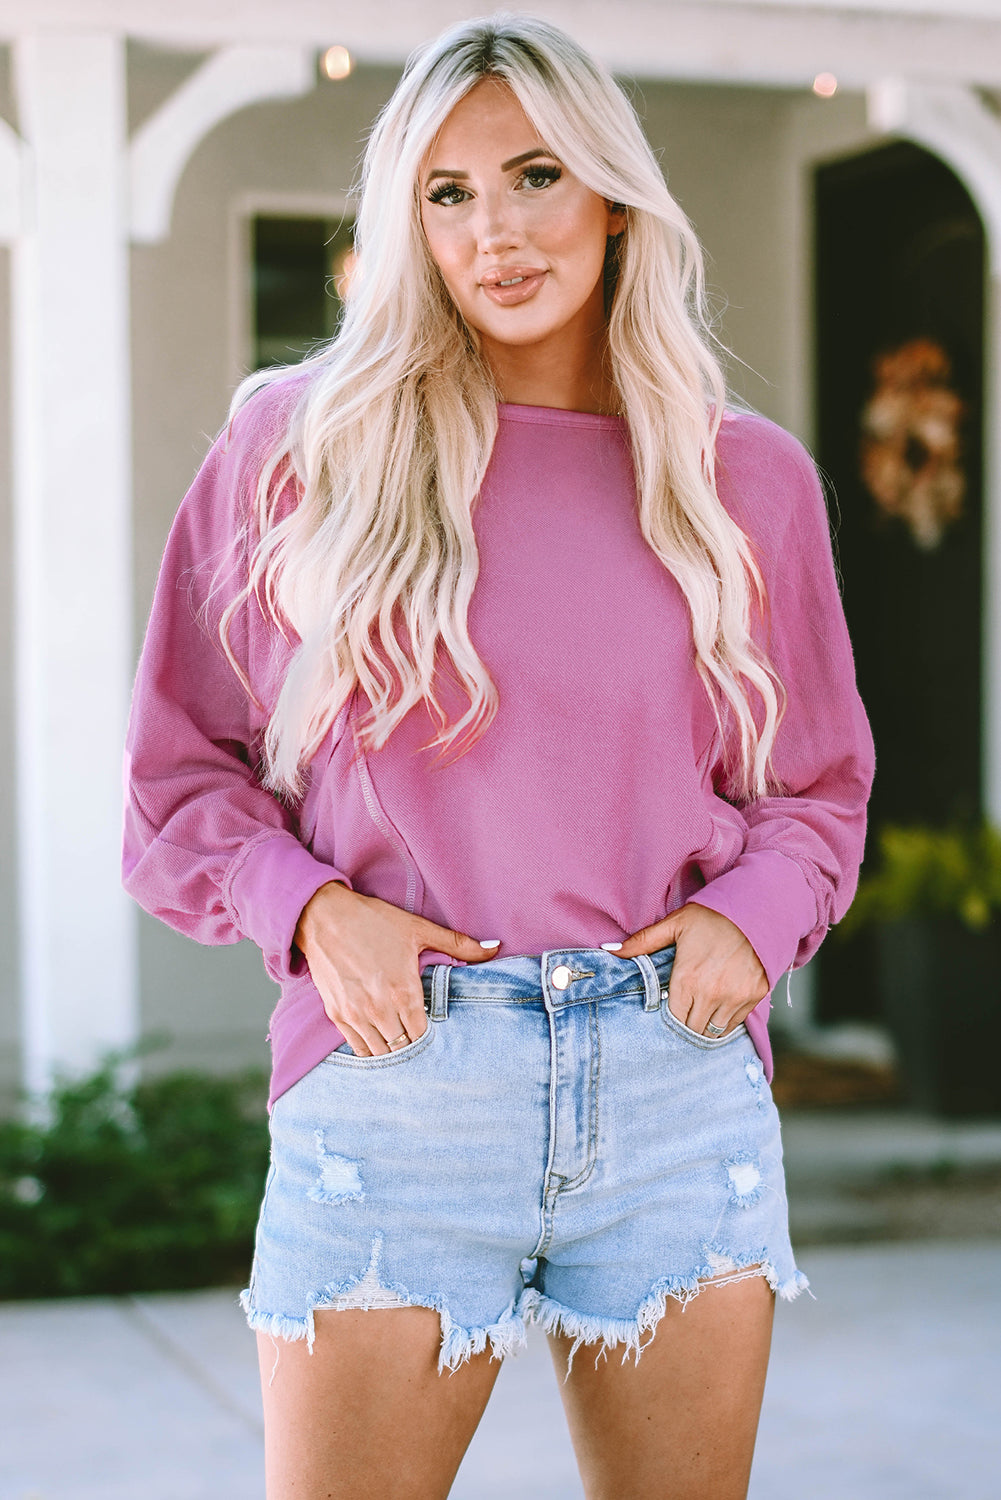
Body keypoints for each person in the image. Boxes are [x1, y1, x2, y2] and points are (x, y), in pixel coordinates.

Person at [123, 14, 874, 1499]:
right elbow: (173, 783)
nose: (495, 231)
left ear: (610, 193)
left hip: (672, 1081)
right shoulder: (299, 447)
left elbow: (814, 791)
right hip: (397, 1084)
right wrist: (314, 916)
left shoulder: (746, 479)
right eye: (444, 193)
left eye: (534, 175)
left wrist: (748, 926)